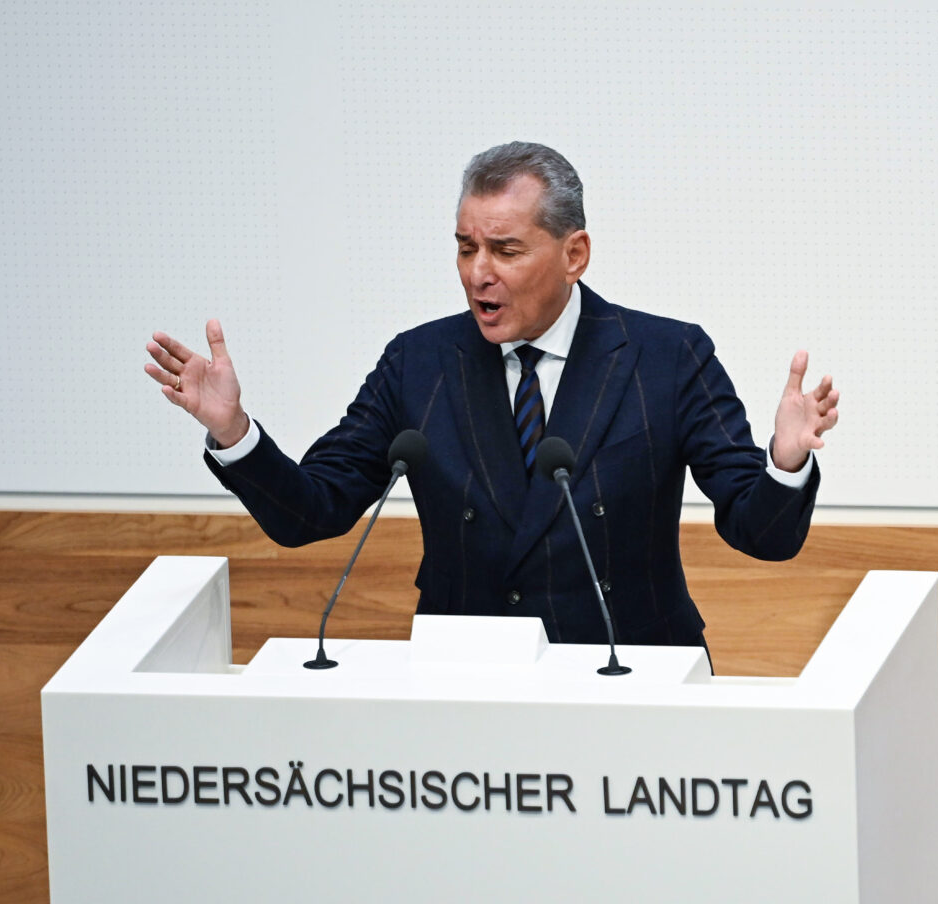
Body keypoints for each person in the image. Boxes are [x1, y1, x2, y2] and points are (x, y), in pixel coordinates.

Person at [145, 142, 838, 651]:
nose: (479, 273)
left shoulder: (666, 356)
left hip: (627, 678)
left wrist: (785, 461)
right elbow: (312, 510)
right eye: (465, 247)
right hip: (468, 691)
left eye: (505, 250)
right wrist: (235, 432)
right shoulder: (419, 363)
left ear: (574, 254)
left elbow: (763, 534)